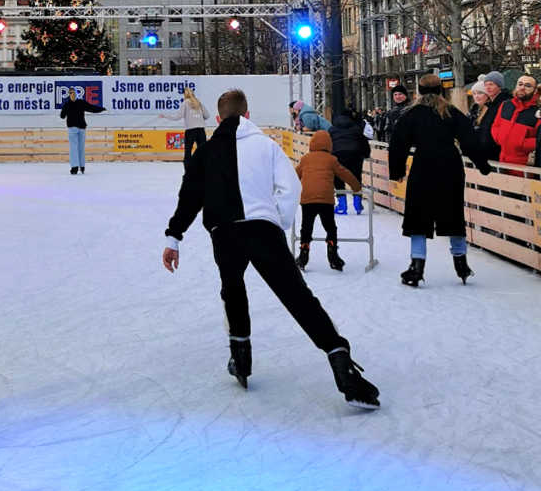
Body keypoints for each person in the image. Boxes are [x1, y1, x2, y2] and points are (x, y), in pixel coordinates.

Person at [161, 88, 380, 410]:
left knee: (233, 290)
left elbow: (189, 197)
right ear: (247, 115)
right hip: (264, 230)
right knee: (297, 296)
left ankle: (242, 358)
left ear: (219, 118)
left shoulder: (204, 153)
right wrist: (279, 220)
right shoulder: (266, 145)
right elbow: (290, 186)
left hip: (224, 232)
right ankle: (340, 361)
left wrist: (173, 238)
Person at [387, 74, 491, 286]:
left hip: (423, 165)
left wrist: (396, 171)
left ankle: (417, 266)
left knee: (418, 215)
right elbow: (469, 140)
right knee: (453, 212)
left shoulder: (411, 115)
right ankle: (461, 263)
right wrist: (483, 165)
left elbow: (398, 143)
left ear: (419, 91)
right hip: (450, 166)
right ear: (441, 91)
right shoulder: (452, 113)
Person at [294, 129, 360, 271]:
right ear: (329, 144)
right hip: (325, 200)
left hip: (308, 199)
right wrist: (356, 187)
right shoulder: (332, 160)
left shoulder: (305, 159)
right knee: (330, 228)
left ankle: (303, 254)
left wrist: (286, 187)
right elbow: (345, 173)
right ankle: (333, 255)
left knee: (306, 228)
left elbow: (295, 175)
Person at [489, 73, 540, 167]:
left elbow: (540, 138)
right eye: (520, 84)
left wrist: (520, 144)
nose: (522, 88)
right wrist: (500, 139)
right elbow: (495, 125)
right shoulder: (506, 105)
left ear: (535, 90)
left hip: (524, 162)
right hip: (502, 157)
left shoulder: (538, 112)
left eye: (527, 86)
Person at [329, 109, 370, 218]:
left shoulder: (332, 129)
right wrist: (366, 154)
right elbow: (364, 143)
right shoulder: (356, 129)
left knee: (338, 179)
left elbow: (328, 143)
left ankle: (342, 205)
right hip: (355, 155)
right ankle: (358, 204)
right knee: (356, 178)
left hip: (337, 155)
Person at [60, 86, 105, 175]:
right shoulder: (67, 104)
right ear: (69, 94)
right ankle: (74, 167)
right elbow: (62, 116)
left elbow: (91, 108)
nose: (71, 94)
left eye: (73, 92)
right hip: (72, 128)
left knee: (80, 148)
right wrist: (64, 111)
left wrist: (101, 109)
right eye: (70, 93)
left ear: (76, 93)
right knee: (74, 148)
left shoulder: (81, 103)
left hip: (81, 127)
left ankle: (82, 166)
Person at [161, 86, 211, 166]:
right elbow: (207, 115)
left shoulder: (185, 103)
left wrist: (165, 116)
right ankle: (204, 169)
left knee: (188, 152)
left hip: (190, 131)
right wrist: (198, 118)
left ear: (185, 94)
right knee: (203, 151)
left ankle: (188, 171)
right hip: (201, 130)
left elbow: (177, 117)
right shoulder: (198, 102)